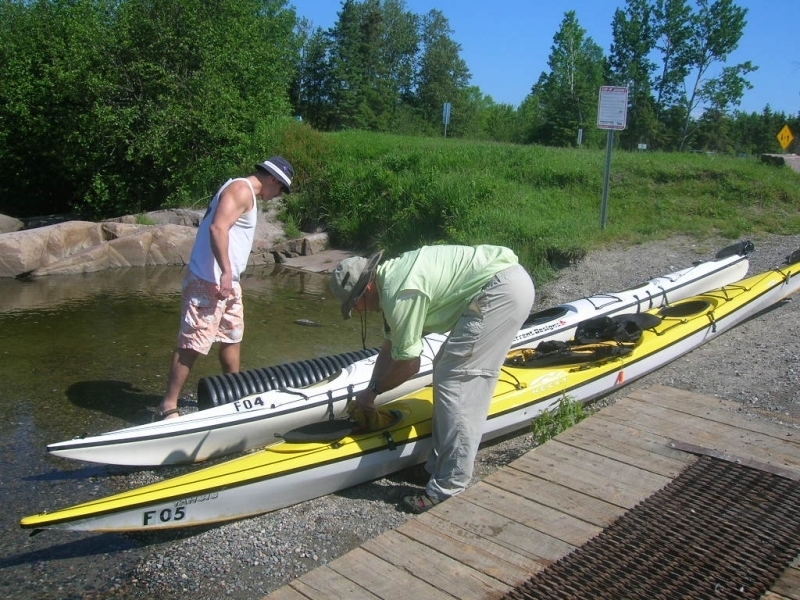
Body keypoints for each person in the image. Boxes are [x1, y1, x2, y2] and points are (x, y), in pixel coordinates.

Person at [329, 244, 535, 513]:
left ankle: (449, 487)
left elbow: (409, 365)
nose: (357, 312)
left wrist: (374, 393)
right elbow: (392, 347)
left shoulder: (399, 294)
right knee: (445, 367)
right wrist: (370, 390)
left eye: (354, 305)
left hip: (500, 291)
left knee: (457, 380)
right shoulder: (390, 279)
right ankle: (435, 469)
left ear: (365, 289)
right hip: (501, 285)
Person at [154, 156, 295, 420]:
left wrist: (230, 277)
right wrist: (226, 272)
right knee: (193, 343)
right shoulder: (241, 190)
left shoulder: (245, 192)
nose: (279, 195)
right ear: (273, 179)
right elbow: (218, 228)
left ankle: (236, 395)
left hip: (227, 283)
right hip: (211, 279)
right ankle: (168, 405)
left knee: (232, 336)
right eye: (281, 189)